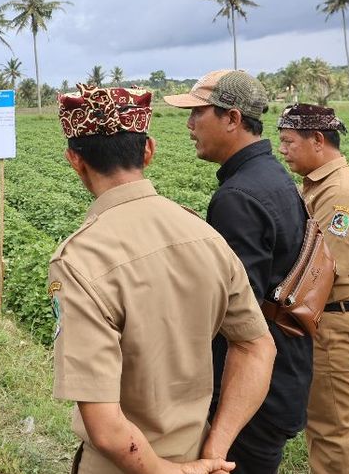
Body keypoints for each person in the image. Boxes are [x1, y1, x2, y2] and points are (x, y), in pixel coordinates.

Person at [51, 84, 276, 474]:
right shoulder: (205, 236)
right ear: (149, 151)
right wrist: (215, 450)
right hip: (199, 455)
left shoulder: (80, 259)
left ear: (75, 159)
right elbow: (257, 347)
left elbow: (105, 428)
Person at [163, 70, 313, 474]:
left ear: (231, 118)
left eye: (198, 113)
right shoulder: (272, 176)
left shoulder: (238, 197)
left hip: (254, 391)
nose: (190, 125)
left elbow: (233, 313)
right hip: (284, 372)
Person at [276, 104, 349, 474]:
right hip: (322, 320)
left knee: (332, 429)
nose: (282, 149)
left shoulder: (344, 195)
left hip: (334, 322)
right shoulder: (321, 185)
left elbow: (321, 271)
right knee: (320, 420)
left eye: (288, 141)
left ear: (317, 140)